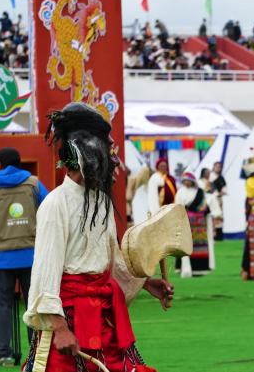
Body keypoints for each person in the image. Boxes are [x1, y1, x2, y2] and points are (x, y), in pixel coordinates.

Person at [23, 103, 173, 372]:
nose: (114, 160)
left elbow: (110, 261)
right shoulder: (56, 204)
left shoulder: (101, 201)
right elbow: (45, 272)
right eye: (109, 149)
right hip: (67, 320)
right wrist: (60, 329)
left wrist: (146, 283)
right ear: (90, 152)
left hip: (104, 317)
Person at [0, 148, 48, 367]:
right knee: (32, 302)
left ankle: (4, 353)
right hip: (31, 256)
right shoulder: (34, 184)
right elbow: (49, 210)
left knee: (3, 304)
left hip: (1, 258)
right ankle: (35, 349)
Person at [174, 172, 221, 277]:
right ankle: (185, 268)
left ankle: (199, 269)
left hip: (200, 224)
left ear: (193, 181)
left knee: (199, 245)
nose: (187, 182)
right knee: (186, 244)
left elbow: (208, 202)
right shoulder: (180, 192)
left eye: (188, 180)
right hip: (186, 222)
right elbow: (177, 207)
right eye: (185, 180)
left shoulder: (200, 192)